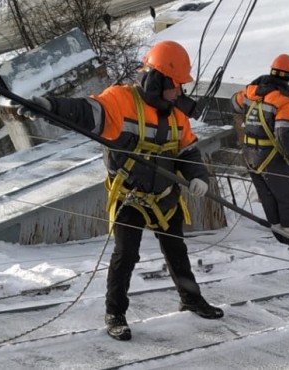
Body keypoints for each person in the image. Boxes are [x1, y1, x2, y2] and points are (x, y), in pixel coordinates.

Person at [17, 40, 224, 341]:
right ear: (158, 82)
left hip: (165, 196)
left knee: (177, 250)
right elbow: (85, 111)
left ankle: (191, 298)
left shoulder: (178, 114)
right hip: (131, 196)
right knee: (126, 255)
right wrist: (50, 107)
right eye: (176, 85)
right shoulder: (120, 102)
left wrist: (198, 176)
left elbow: (188, 151)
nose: (180, 92)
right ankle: (115, 312)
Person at [231, 54, 289, 247]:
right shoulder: (283, 100)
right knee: (288, 197)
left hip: (249, 154)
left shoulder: (251, 90)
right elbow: (283, 134)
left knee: (267, 195)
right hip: (269, 156)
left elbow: (233, 103)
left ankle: (278, 232)